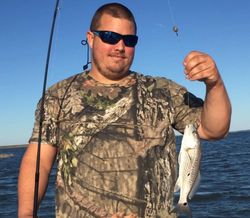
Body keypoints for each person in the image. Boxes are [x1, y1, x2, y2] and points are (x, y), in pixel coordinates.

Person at [18, 2, 231, 218]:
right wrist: (26, 213)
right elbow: (39, 162)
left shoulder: (163, 91)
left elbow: (214, 130)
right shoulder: (58, 96)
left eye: (129, 40)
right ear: (91, 39)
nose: (120, 46)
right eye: (110, 36)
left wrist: (215, 84)